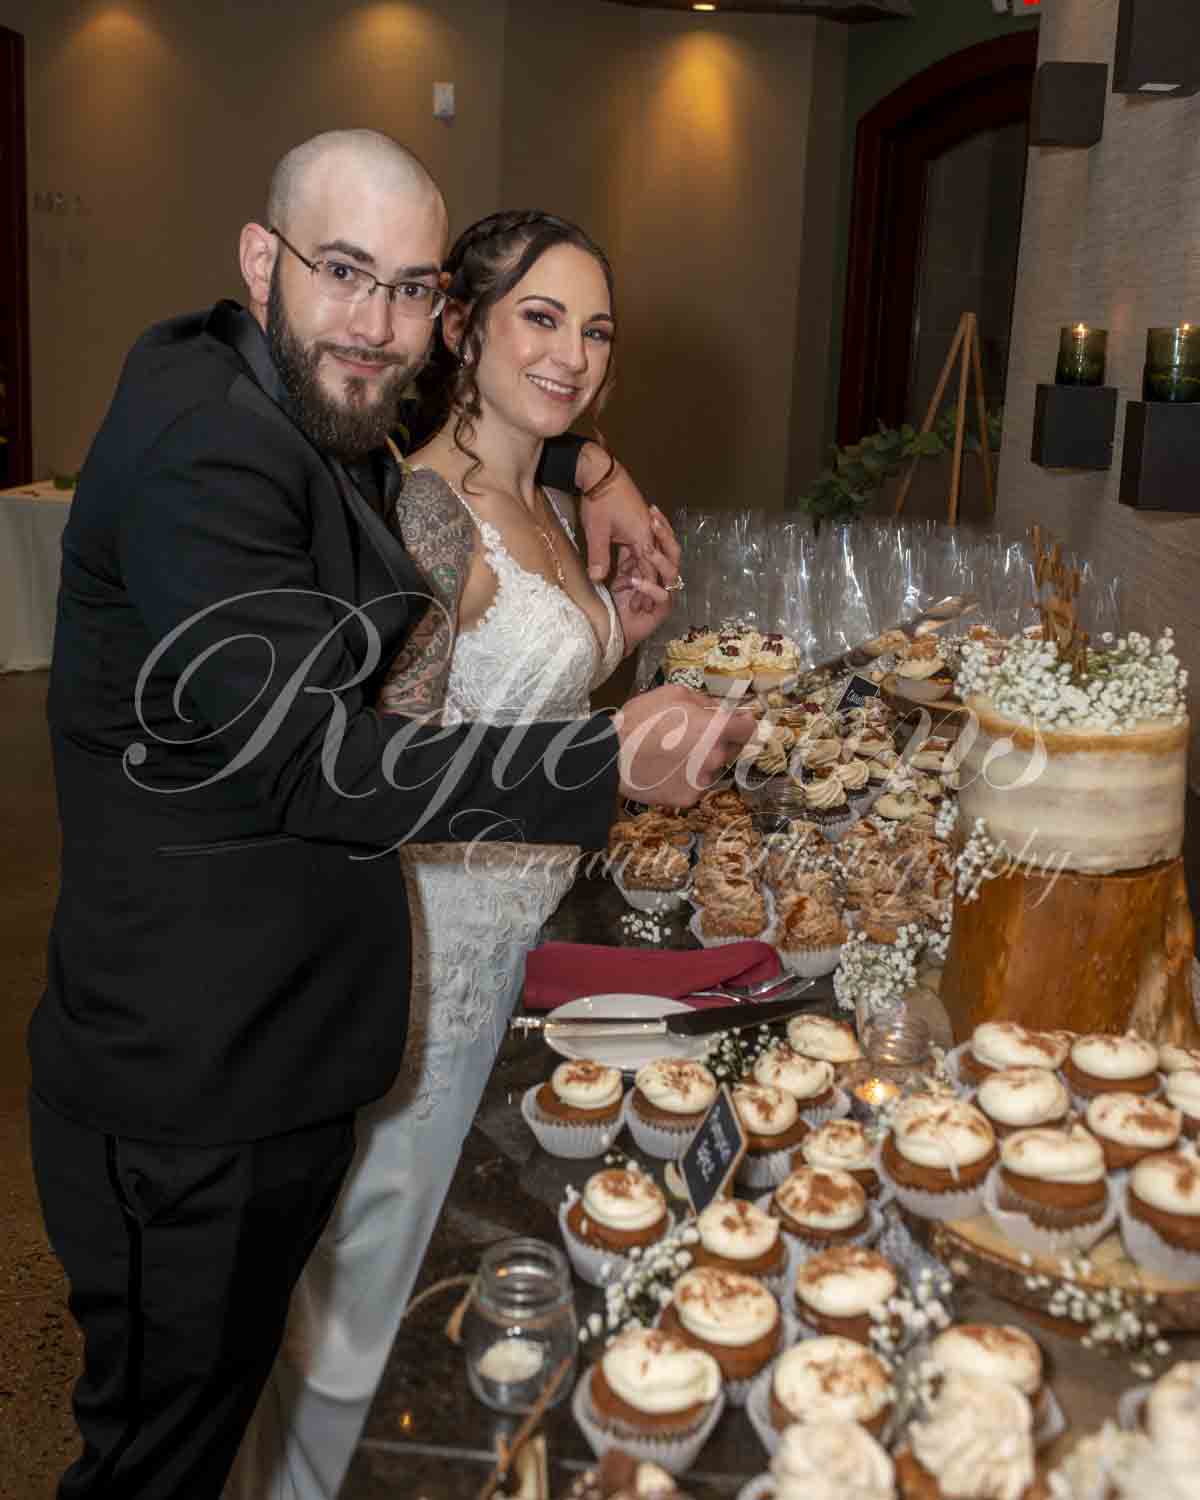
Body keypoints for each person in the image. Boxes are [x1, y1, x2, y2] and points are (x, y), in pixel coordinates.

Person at [30, 130, 754, 1500]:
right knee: (161, 1455)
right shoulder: (213, 456)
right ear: (263, 260)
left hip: (290, 1031)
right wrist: (596, 765)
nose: (376, 323)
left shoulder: (302, 397)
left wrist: (591, 467)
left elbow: (448, 430)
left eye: (408, 288)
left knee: (263, 1381)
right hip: (188, 1069)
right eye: (343, 274)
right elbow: (315, 763)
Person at [227, 208, 676, 1500]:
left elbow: (532, 709)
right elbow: (396, 785)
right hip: (443, 960)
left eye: (596, 330)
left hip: (542, 938)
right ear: (465, 332)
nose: (574, 355)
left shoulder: (546, 488)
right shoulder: (430, 518)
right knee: (385, 1280)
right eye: (541, 320)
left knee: (482, 1276)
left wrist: (621, 634)